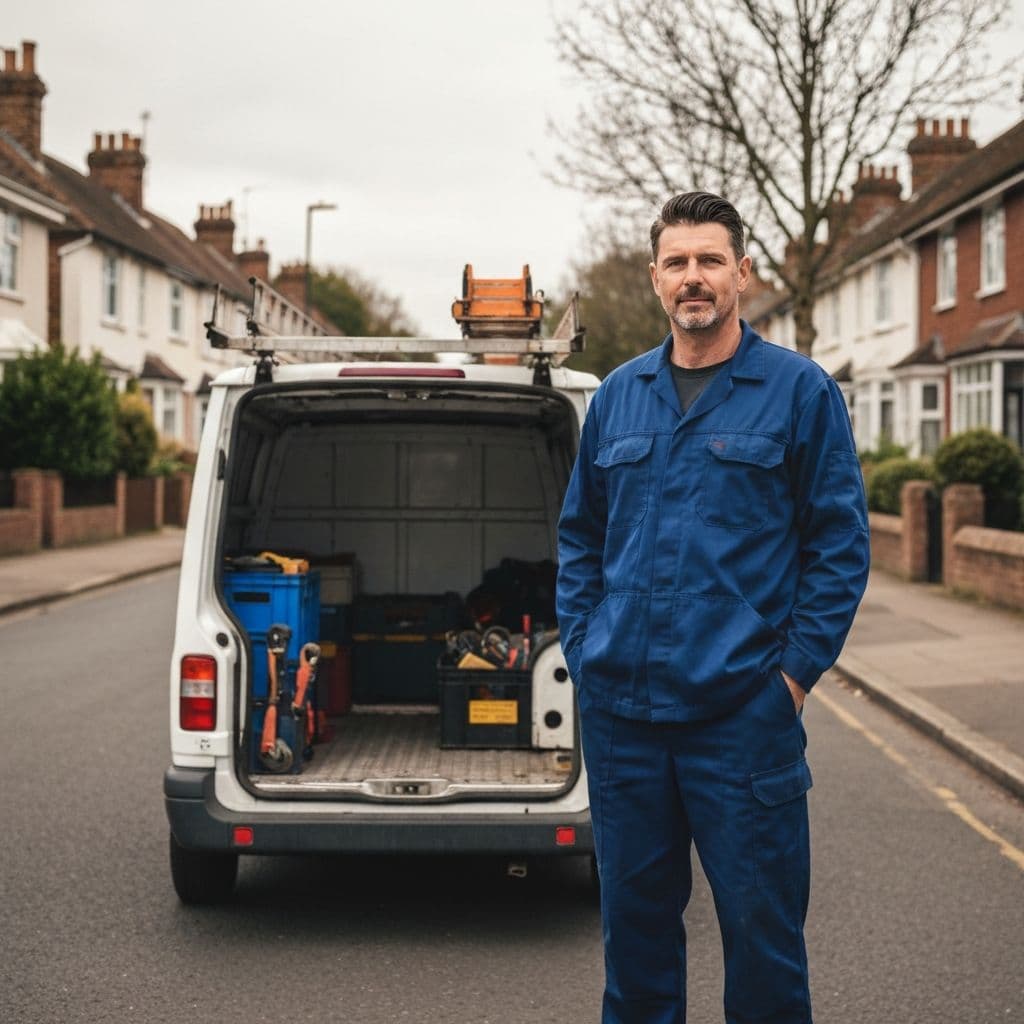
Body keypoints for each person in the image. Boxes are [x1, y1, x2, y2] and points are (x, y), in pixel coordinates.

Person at [556, 191, 870, 1024]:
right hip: (624, 723)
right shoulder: (619, 396)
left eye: (709, 260)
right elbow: (580, 538)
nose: (692, 277)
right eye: (677, 262)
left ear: (742, 273)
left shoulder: (800, 392)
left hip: (743, 722)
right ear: (655, 278)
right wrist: (585, 651)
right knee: (635, 953)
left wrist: (790, 682)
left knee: (765, 954)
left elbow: (840, 548)